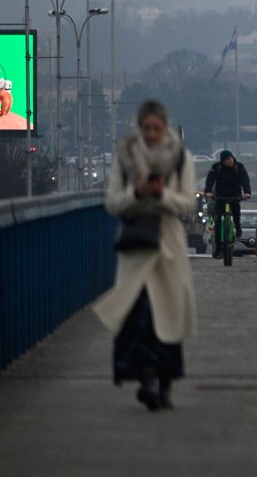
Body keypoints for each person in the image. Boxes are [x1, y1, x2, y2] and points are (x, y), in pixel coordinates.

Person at [93, 99, 197, 411]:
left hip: (167, 248)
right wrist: (135, 194)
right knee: (141, 316)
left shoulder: (180, 158)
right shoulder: (125, 157)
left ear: (164, 128)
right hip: (137, 247)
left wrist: (160, 193)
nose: (151, 134)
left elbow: (187, 203)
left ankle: (164, 385)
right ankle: (146, 381)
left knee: (167, 316)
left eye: (156, 128)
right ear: (140, 128)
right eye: (146, 128)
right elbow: (112, 203)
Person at [204, 149, 251, 256]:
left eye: (231, 158)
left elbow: (245, 179)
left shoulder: (239, 166)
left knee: (236, 214)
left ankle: (238, 228)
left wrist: (247, 192)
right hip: (221, 196)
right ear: (223, 161)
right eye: (227, 159)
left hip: (235, 195)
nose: (230, 161)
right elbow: (210, 180)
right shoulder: (216, 167)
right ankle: (218, 249)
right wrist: (208, 192)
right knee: (218, 222)